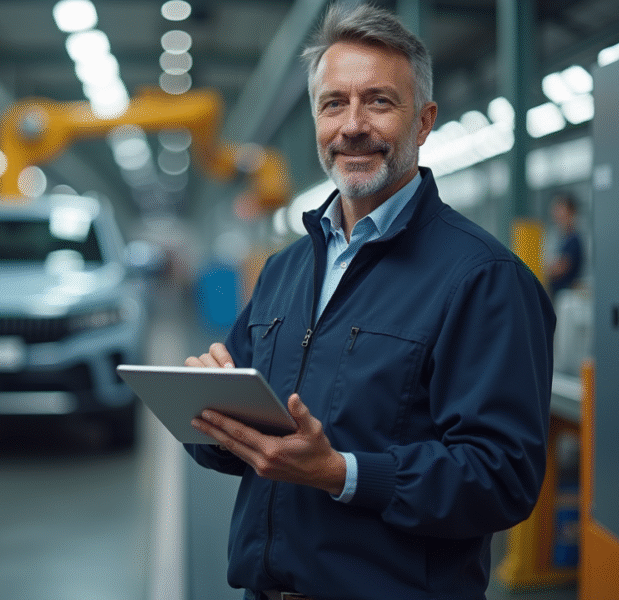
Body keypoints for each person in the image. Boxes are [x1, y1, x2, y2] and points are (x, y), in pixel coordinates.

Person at [183, 4, 556, 600]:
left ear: (424, 121)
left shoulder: (483, 279)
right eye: (334, 104)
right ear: (316, 121)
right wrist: (204, 414)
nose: (352, 125)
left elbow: (503, 477)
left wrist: (342, 473)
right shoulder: (285, 270)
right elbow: (248, 450)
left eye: (379, 102)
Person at [546, 192, 583, 297]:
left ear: (571, 213)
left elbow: (560, 268)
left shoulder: (573, 240)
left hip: (566, 298)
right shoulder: (561, 239)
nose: (556, 214)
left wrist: (539, 268)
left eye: (560, 209)